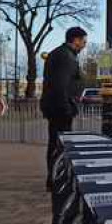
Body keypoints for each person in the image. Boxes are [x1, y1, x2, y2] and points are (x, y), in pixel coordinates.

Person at [40, 26, 87, 190]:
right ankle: (57, 179)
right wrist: (67, 107)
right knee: (60, 145)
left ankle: (54, 178)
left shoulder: (57, 53)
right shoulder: (66, 57)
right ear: (76, 40)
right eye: (83, 41)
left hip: (54, 106)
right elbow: (61, 85)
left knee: (55, 143)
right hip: (60, 107)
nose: (84, 45)